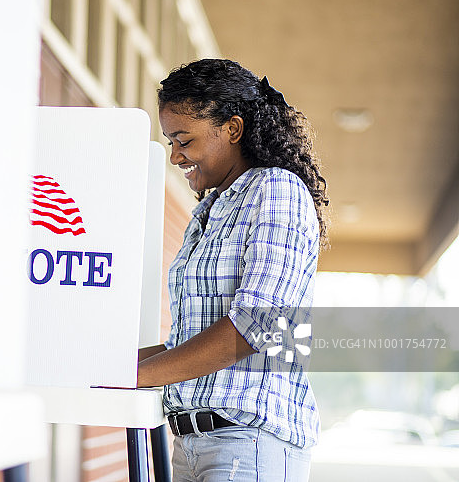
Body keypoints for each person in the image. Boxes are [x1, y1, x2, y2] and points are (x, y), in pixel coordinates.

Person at [138, 59, 329, 482]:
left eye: (184, 140)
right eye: (170, 142)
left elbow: (256, 326)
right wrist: (105, 369)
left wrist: (135, 375)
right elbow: (186, 343)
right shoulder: (209, 210)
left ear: (233, 129)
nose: (175, 156)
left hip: (249, 444)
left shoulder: (276, 189)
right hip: (190, 445)